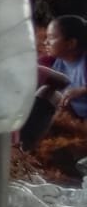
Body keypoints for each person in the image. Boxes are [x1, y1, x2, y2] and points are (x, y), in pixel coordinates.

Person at [21, 15, 87, 148]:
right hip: (72, 113)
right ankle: (25, 140)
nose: (46, 42)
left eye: (51, 38)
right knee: (45, 91)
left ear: (71, 43)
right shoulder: (52, 60)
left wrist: (82, 90)